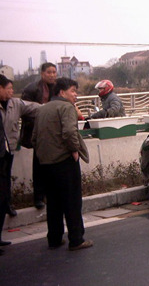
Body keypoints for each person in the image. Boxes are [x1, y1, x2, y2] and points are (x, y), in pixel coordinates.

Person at [32, 77, 93, 251]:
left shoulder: (43, 109)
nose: (76, 95)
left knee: (54, 202)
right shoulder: (66, 107)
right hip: (64, 162)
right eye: (73, 91)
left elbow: (34, 138)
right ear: (62, 92)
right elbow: (69, 132)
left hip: (45, 163)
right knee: (72, 202)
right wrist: (74, 151)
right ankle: (76, 239)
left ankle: (54, 238)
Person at [0, 74, 40, 255]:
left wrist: (53, 108)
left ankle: (7, 205)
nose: (11, 91)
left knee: (4, 186)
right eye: (8, 88)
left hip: (7, 152)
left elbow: (34, 108)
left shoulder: (15, 104)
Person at [21, 62, 57, 209]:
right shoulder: (31, 89)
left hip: (53, 132)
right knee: (39, 165)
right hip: (37, 132)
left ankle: (51, 194)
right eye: (49, 72)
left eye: (54, 72)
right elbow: (24, 112)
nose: (52, 75)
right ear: (42, 73)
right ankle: (38, 197)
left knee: (53, 165)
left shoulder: (57, 88)